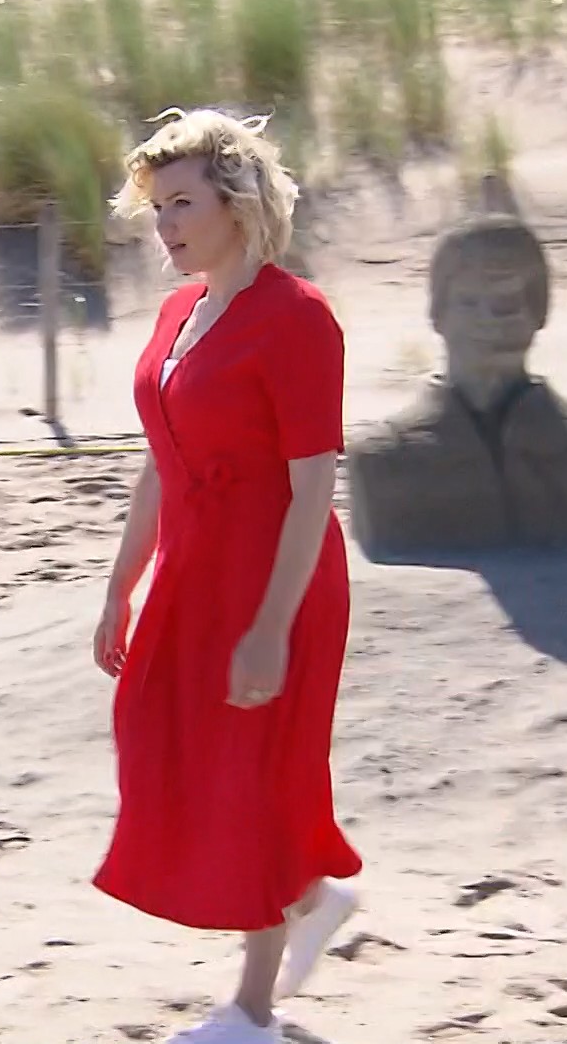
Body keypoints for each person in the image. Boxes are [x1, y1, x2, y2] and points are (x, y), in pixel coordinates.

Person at [90, 108, 364, 1042]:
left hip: (276, 577)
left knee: (252, 774)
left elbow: (313, 486)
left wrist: (271, 627)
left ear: (235, 204)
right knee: (156, 736)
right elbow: (159, 464)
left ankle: (251, 1011)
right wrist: (120, 585)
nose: (164, 225)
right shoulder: (179, 313)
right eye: (156, 207)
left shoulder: (297, 318)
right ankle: (313, 897)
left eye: (182, 204)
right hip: (192, 573)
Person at [344, 213, 567, 556]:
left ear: (538, 314)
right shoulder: (382, 461)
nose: (489, 320)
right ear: (438, 313)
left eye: (507, 305)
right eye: (469, 302)